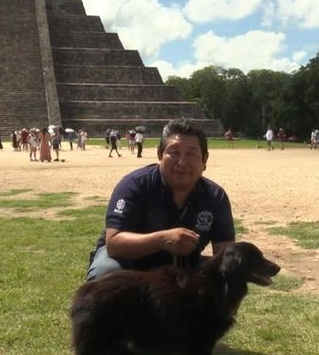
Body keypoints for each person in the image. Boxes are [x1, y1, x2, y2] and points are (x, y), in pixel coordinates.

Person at [86, 118, 235, 281]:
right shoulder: (134, 185)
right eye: (174, 152)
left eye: (191, 154)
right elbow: (114, 244)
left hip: (181, 264)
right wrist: (162, 240)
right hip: (128, 260)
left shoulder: (215, 196)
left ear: (204, 160)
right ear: (160, 154)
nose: (182, 162)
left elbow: (225, 255)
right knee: (107, 272)